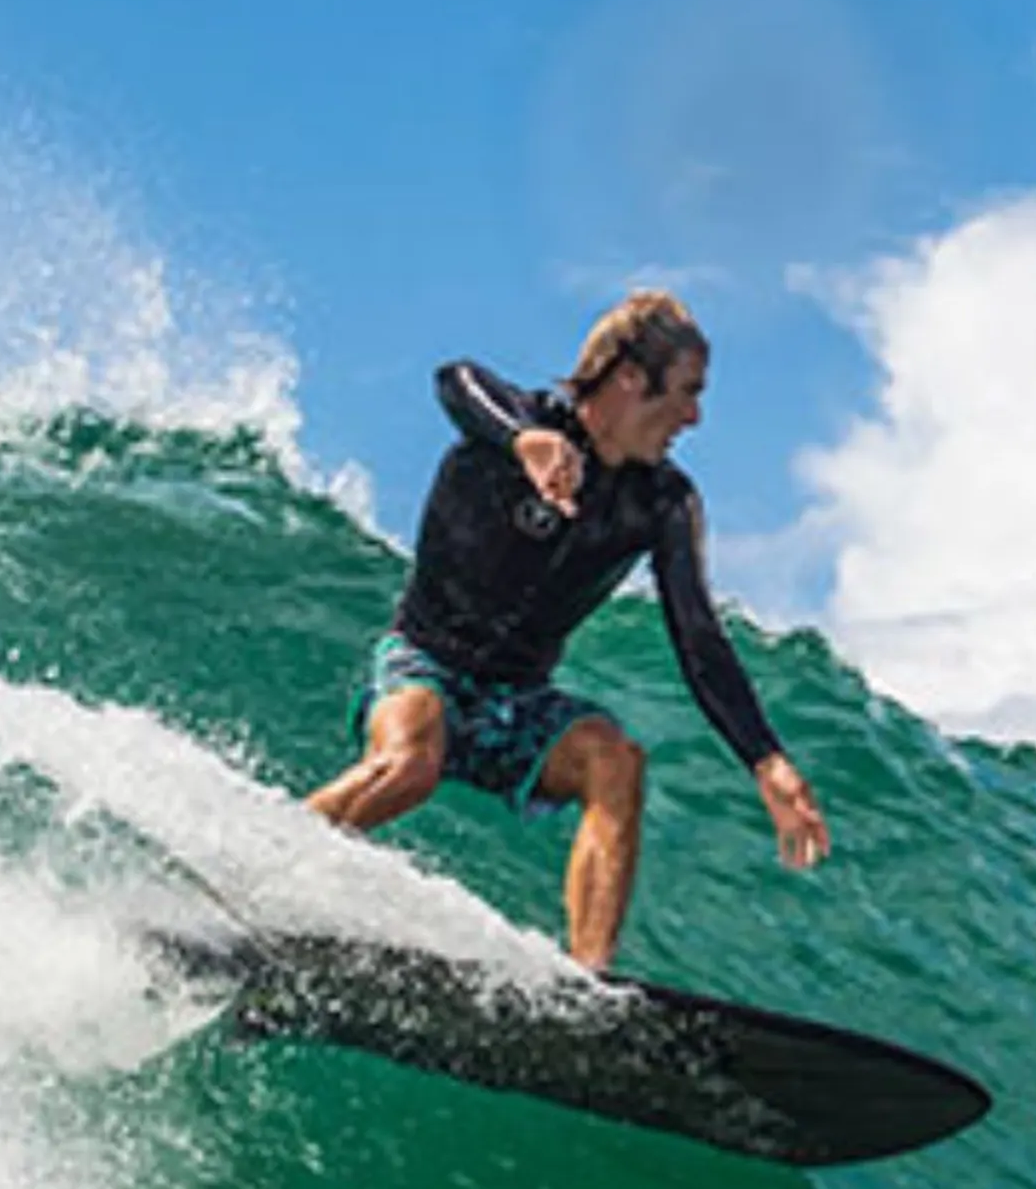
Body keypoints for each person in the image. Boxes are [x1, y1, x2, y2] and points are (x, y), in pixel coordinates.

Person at [307, 289, 829, 967]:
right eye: (688, 392)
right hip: (425, 662)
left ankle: (585, 985)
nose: (695, 417)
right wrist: (523, 442)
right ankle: (263, 858)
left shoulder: (663, 502)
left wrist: (768, 761)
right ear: (632, 378)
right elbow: (456, 379)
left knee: (616, 761)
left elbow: (698, 634)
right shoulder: (522, 425)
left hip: (518, 700)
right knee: (410, 764)